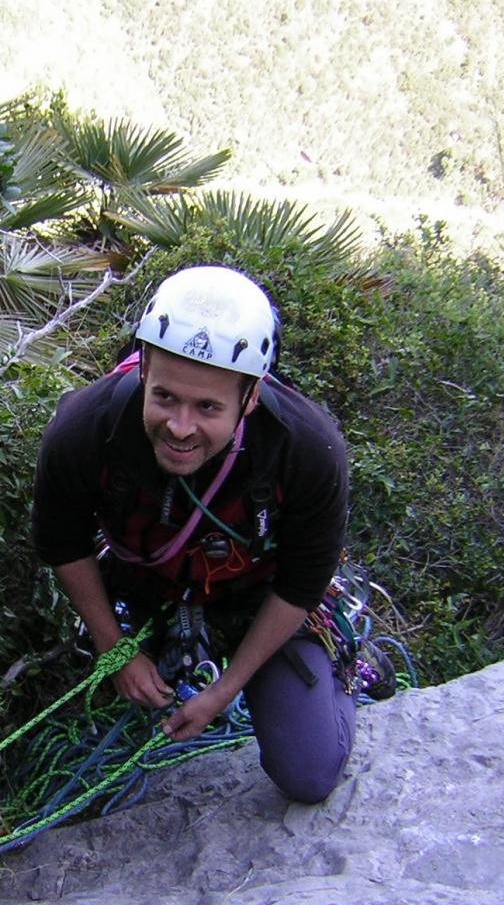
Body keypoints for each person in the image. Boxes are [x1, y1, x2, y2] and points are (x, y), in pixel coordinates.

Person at [31, 264, 357, 805]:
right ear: (143, 370)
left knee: (309, 773)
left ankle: (347, 675)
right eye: (165, 398)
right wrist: (116, 651)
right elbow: (63, 543)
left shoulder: (306, 450)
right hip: (143, 586)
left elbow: (301, 584)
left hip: (257, 597)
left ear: (250, 397)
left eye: (208, 407)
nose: (180, 428)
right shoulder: (86, 428)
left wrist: (224, 692)